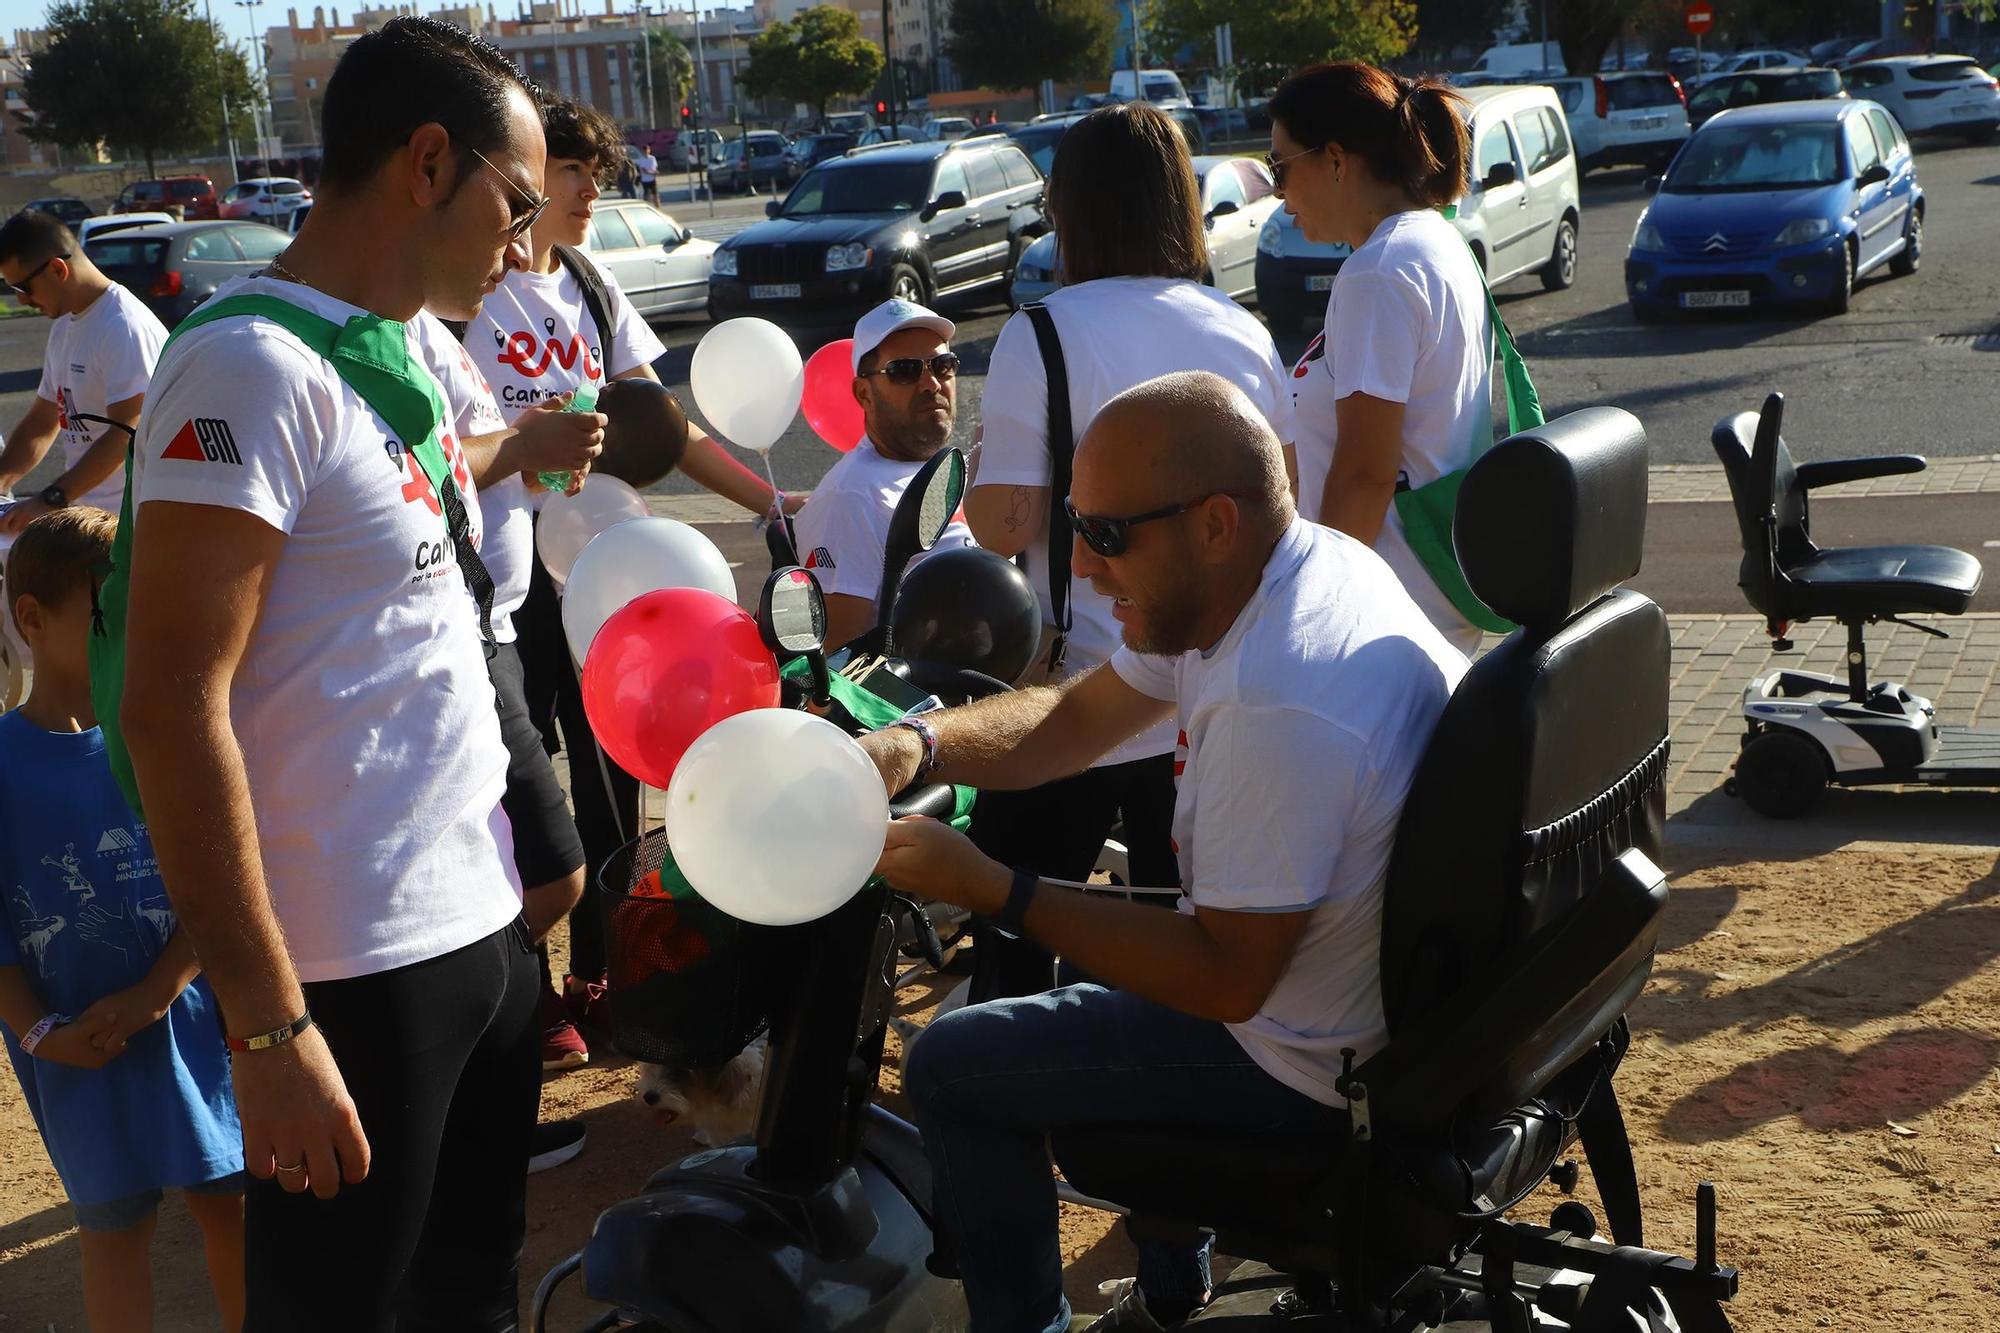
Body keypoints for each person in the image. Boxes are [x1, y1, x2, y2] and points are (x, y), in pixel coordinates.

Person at [869, 372, 1466, 1333]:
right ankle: (1171, 1293)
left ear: (1215, 522)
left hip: (1308, 1064)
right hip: (1356, 999)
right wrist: (921, 742)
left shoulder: (1276, 693)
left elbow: (1225, 978)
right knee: (1099, 953)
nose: (1089, 567)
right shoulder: (1279, 574)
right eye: (1076, 527)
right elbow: (1072, 718)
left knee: (950, 1061)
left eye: (1107, 536)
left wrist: (989, 887)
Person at [117, 18, 546, 1328]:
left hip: (483, 923)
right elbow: (171, 705)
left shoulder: (407, 345)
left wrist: (536, 815)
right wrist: (264, 1024)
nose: (525, 244)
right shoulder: (250, 365)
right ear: (429, 162)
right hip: (351, 975)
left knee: (466, 1293)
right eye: (514, 203)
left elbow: (444, 619)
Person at [468, 93, 800, 1052]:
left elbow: (668, 429)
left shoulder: (588, 280)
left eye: (593, 176)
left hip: (610, 565)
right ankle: (520, 995)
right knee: (505, 780)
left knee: (613, 775)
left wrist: (771, 502)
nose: (586, 194)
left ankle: (602, 973)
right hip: (505, 578)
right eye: (572, 173)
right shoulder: (465, 292)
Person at [965, 101, 1295, 997]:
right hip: (1211, 698)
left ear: (1069, 210)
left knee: (1018, 921)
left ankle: (1015, 1110)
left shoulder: (1042, 333)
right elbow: (1284, 509)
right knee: (1171, 941)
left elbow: (1001, 525)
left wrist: (972, 473)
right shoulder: (1241, 329)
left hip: (1076, 691)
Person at [0, 508, 245, 1333]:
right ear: (32, 619)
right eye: (107, 609)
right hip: (78, 1050)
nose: (131, 629)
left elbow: (223, 882)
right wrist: (40, 1037)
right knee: (113, 1229)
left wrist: (158, 989)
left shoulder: (172, 732)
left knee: (234, 1208)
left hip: (198, 1024)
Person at [1268, 62, 1491, 653]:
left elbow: (1366, 473)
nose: (1278, 195)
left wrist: (1312, 611)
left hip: (1387, 611)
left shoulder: (1379, 271)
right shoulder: (1436, 238)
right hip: (1437, 584)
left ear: (1336, 160)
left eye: (1280, 167)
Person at [790, 297, 973, 651]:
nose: (931, 383)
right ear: (864, 393)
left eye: (943, 364)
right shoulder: (850, 498)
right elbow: (843, 664)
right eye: (905, 370)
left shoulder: (950, 465)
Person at [0, 210, 169, 536]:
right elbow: (42, 421)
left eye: (23, 287)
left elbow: (127, 433)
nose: (21, 300)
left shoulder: (123, 326)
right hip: (87, 524)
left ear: (57, 268)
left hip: (130, 527)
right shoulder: (66, 323)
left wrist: (49, 501)